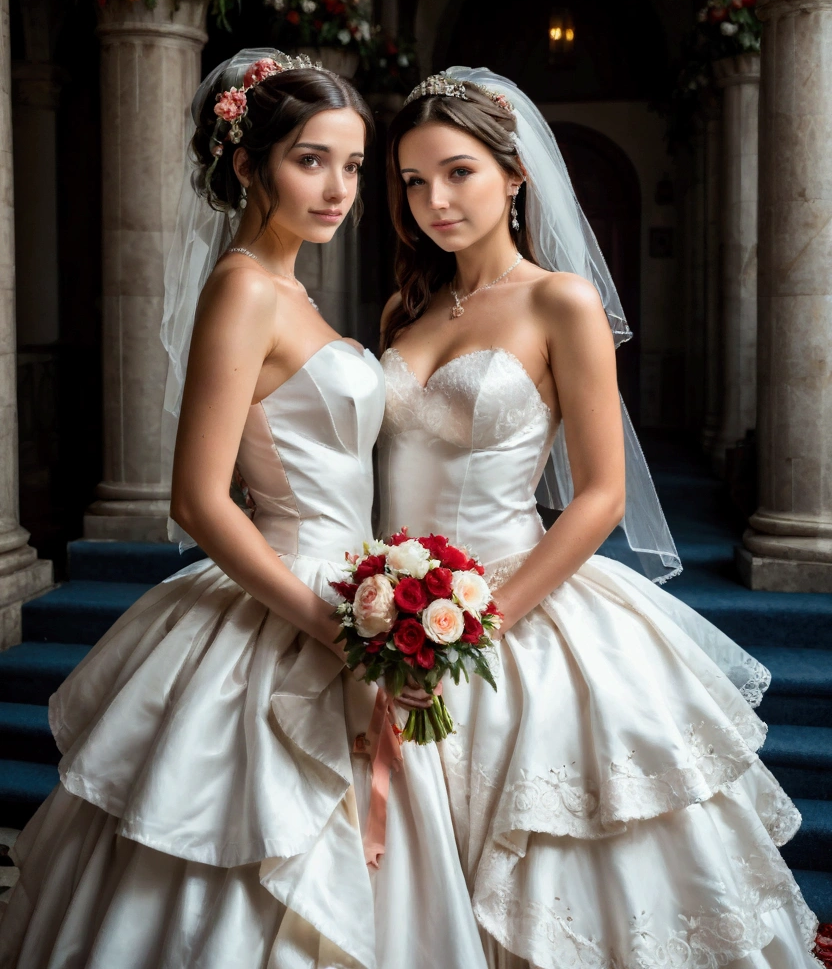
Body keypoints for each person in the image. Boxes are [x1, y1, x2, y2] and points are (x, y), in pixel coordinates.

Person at [0, 51, 485, 969]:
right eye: (311, 160)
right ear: (245, 164)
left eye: (351, 165)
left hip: (354, 588)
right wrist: (335, 627)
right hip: (289, 593)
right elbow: (196, 496)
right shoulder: (243, 287)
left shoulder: (296, 288)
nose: (339, 188)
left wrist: (373, 605)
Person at [377, 66, 821, 969]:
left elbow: (601, 496)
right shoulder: (408, 309)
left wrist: (479, 623)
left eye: (458, 172)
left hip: (508, 603)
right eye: (415, 181)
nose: (435, 201)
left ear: (514, 174)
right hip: (388, 608)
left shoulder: (559, 301)